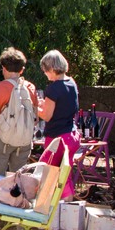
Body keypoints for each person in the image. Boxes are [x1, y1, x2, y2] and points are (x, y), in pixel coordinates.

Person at [0, 47, 41, 178]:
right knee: (18, 180)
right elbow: (35, 119)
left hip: (1, 138)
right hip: (24, 140)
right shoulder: (30, 88)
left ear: (4, 68)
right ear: (22, 70)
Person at [38, 49, 81, 201]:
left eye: (45, 70)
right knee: (64, 174)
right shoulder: (71, 83)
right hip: (71, 135)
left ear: (51, 68)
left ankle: (50, 206)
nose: (45, 74)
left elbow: (46, 116)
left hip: (58, 139)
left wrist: (34, 107)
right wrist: (44, 104)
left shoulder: (54, 88)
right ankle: (67, 207)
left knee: (46, 172)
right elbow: (63, 106)